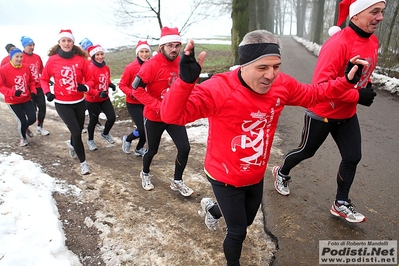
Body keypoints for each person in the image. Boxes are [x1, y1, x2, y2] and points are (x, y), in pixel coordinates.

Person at [160, 30, 370, 266]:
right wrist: (185, 83)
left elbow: (314, 95)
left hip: (255, 174)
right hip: (224, 174)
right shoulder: (219, 88)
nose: (271, 75)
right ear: (244, 65)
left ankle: (213, 210)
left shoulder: (282, 85)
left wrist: (346, 82)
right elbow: (171, 115)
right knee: (238, 231)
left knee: (247, 220)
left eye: (276, 66)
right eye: (262, 68)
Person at [272, 0, 382, 223]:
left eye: (382, 12)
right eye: (375, 12)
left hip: (347, 113)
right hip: (322, 111)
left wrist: (365, 86)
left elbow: (363, 72)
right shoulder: (338, 43)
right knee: (306, 151)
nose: (380, 17)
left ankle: (340, 203)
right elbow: (321, 85)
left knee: (353, 157)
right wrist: (357, 96)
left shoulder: (372, 40)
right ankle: (281, 172)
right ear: (357, 14)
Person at [132, 27, 194, 196]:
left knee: (184, 148)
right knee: (152, 150)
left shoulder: (180, 62)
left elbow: (183, 86)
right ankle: (145, 173)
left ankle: (177, 180)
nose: (174, 49)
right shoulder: (150, 65)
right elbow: (136, 90)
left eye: (177, 45)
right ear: (161, 47)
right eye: (170, 46)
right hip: (154, 116)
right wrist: (159, 107)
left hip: (173, 116)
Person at [40, 29, 95, 175]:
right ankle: (83, 163)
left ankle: (72, 144)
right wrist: (47, 92)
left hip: (79, 101)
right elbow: (44, 78)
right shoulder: (52, 60)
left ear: (73, 42)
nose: (66, 43)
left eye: (69, 40)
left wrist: (86, 87)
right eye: (63, 40)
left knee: (76, 129)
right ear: (59, 43)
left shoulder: (80, 60)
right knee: (77, 132)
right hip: (62, 103)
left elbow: (90, 78)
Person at [119, 40, 151, 156]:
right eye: (141, 51)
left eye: (146, 51)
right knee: (142, 128)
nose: (144, 54)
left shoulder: (152, 65)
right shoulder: (131, 68)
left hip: (147, 102)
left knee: (148, 129)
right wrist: (132, 93)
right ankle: (127, 139)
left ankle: (138, 148)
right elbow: (122, 84)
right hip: (133, 103)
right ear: (137, 53)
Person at [0, 48, 36, 146]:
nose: (19, 59)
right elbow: (1, 86)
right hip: (13, 101)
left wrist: (33, 91)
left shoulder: (26, 67)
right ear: (11, 58)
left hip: (26, 98)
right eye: (17, 57)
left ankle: (25, 127)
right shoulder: (3, 69)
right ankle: (23, 138)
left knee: (32, 118)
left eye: (21, 57)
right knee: (22, 120)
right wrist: (13, 92)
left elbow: (31, 81)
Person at [85, 44, 117, 151]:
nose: (100, 57)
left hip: (104, 98)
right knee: (93, 121)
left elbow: (106, 79)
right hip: (93, 100)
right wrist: (98, 93)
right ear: (93, 56)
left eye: (102, 54)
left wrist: (110, 84)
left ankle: (105, 133)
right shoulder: (90, 69)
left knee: (112, 117)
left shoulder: (106, 67)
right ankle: (90, 140)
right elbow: (88, 88)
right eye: (97, 54)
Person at [21, 36, 49, 136]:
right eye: (29, 45)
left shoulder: (37, 57)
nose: (32, 47)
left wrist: (47, 79)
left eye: (33, 45)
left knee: (43, 107)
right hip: (28, 89)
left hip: (39, 86)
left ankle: (40, 127)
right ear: (24, 46)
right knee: (32, 111)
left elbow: (42, 70)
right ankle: (25, 127)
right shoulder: (21, 57)